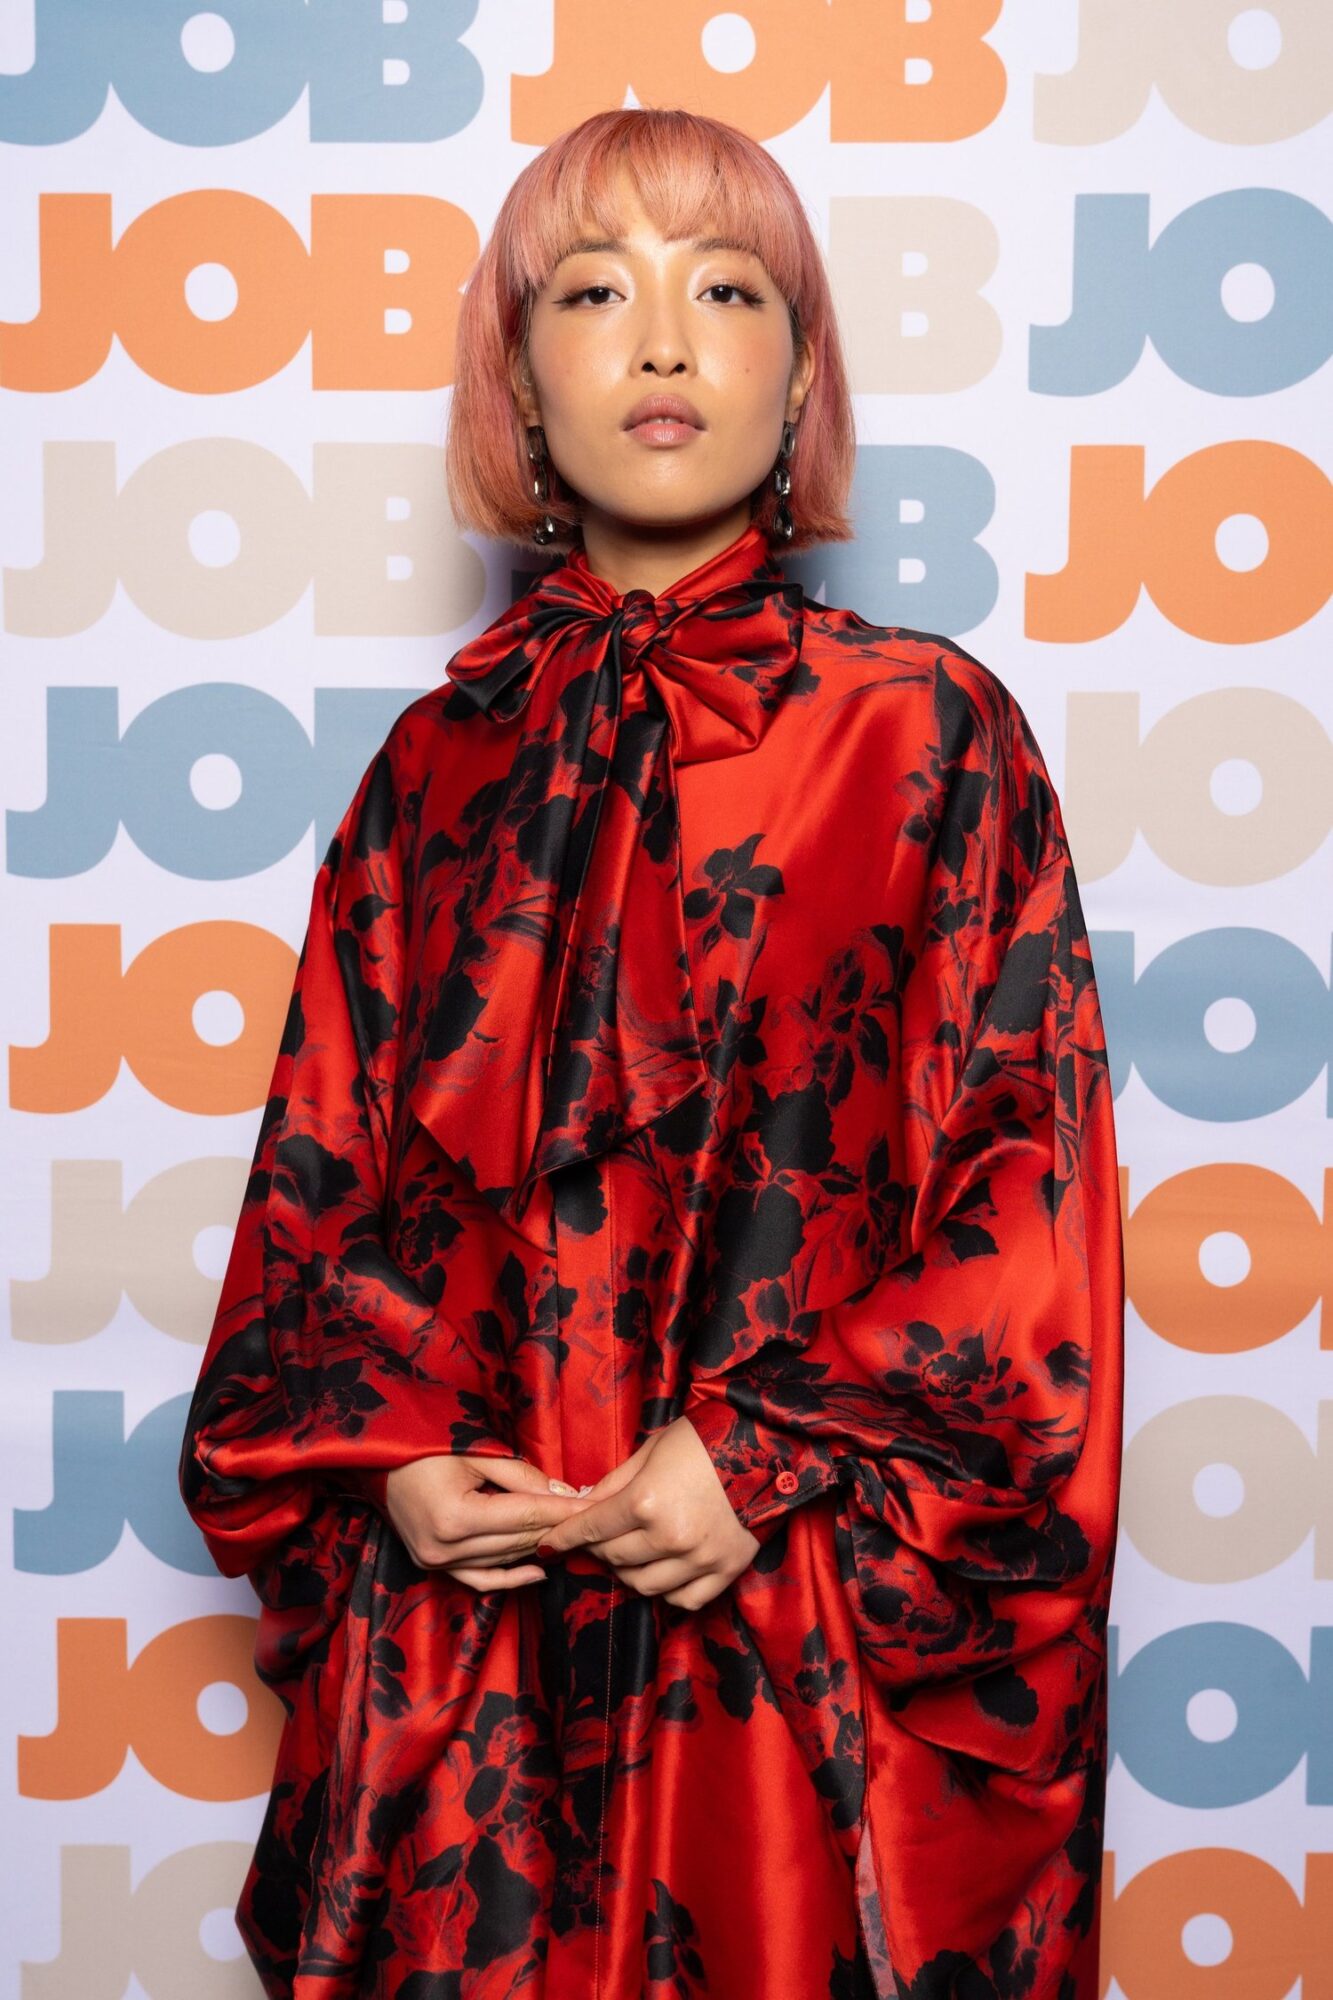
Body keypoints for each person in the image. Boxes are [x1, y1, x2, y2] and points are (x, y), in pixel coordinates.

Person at [179, 106, 1124, 2000]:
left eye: (729, 286)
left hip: (793, 1607)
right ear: (518, 382)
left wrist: (762, 1451)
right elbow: (320, 1190)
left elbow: (1028, 1196)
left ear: (801, 373)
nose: (665, 339)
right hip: (472, 1648)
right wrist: (396, 1466)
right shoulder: (427, 772)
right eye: (593, 290)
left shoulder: (926, 734)